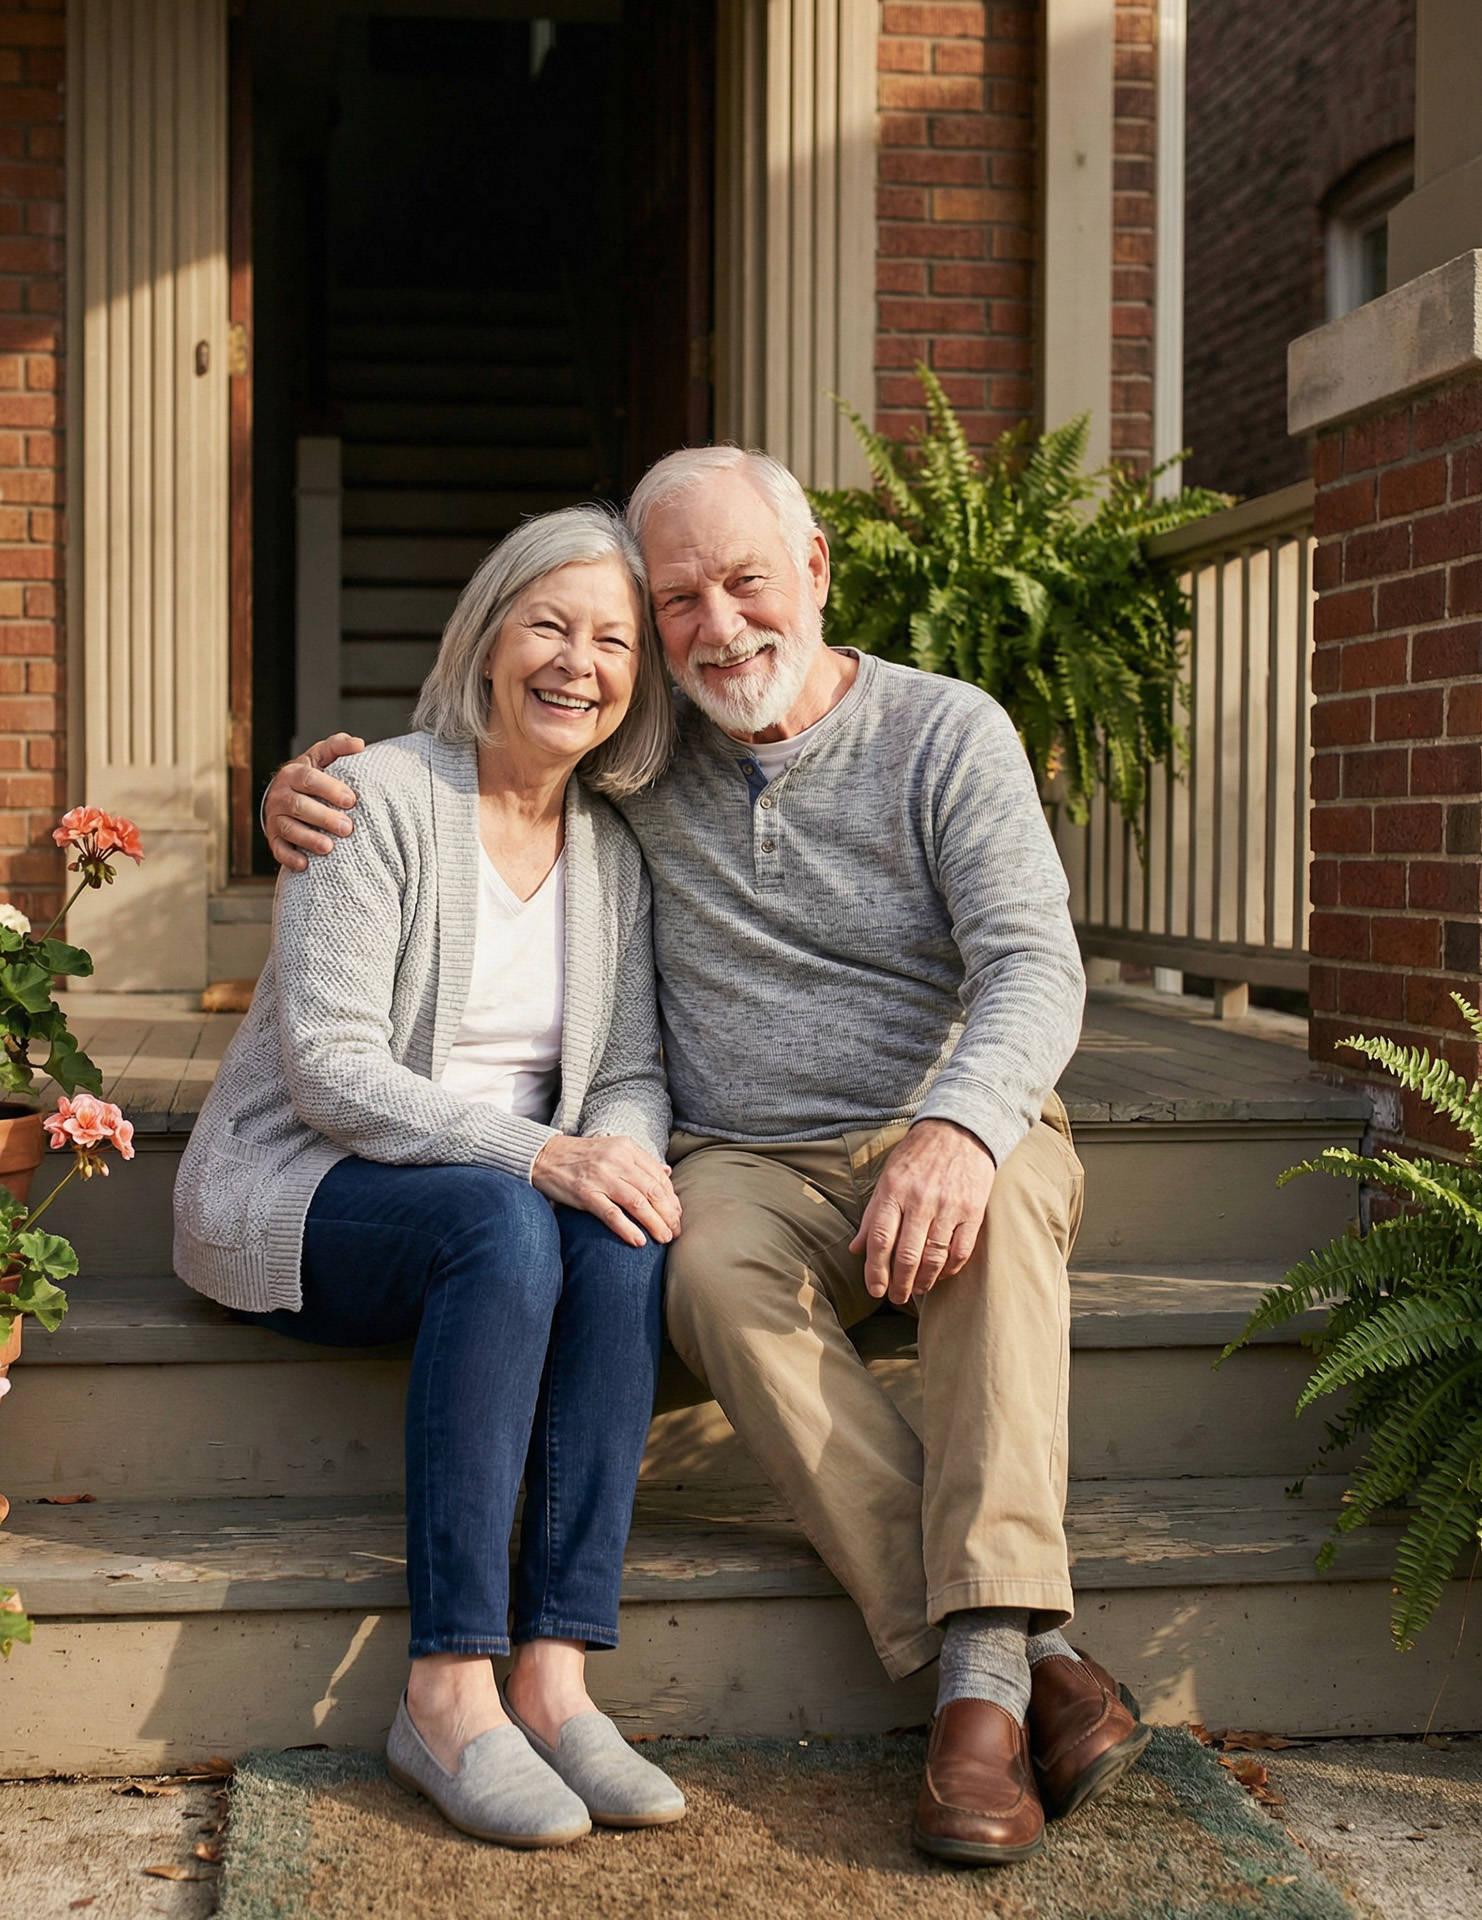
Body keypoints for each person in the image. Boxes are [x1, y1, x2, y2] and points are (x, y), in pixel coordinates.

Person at [266, 446, 1152, 1868]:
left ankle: (978, 1695)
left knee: (995, 1222)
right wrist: (304, 795)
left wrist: (961, 1127)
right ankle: (1037, 1658)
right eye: (676, 600)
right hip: (748, 1156)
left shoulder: (946, 733)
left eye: (746, 582)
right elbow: (490, 749)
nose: (717, 626)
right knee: (705, 1272)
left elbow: (1035, 969)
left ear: (815, 569)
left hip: (947, 1114)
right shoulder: (643, 751)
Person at [177, 505, 688, 1849]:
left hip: (500, 1203)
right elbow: (332, 1071)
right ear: (489, 633)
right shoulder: (379, 797)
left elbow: (631, 1061)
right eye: (551, 625)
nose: (579, 663)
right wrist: (542, 1154)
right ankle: (447, 1689)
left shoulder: (615, 855)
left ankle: (557, 1678)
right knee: (505, 1221)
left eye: (614, 640)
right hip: (317, 1185)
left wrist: (614, 1153)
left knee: (620, 1232)